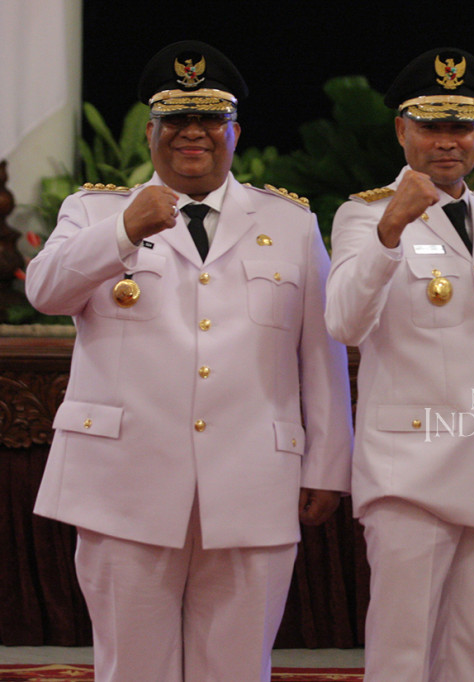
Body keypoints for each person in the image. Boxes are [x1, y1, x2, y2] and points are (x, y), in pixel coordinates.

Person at [25, 40, 352, 682]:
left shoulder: (289, 222)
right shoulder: (93, 210)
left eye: (211, 118)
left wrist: (328, 464)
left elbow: (323, 352)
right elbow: (45, 290)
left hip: (253, 479)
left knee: (236, 668)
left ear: (236, 131)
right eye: (176, 118)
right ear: (150, 131)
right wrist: (123, 231)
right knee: (132, 668)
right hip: (124, 482)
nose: (193, 132)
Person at [324, 47, 474, 682]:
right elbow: (342, 322)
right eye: (431, 126)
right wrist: (390, 232)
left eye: (461, 126)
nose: (446, 142)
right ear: (402, 130)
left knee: (471, 645)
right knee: (402, 649)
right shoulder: (363, 214)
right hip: (409, 473)